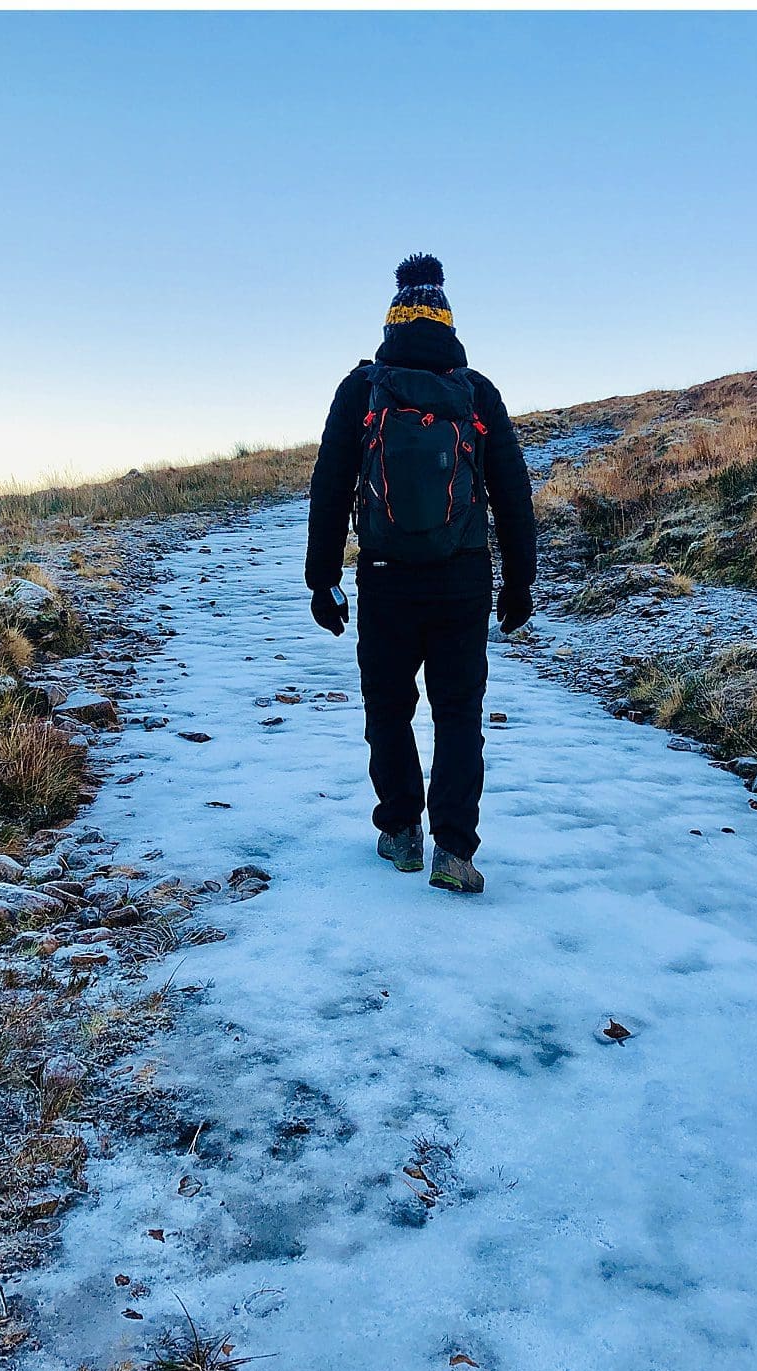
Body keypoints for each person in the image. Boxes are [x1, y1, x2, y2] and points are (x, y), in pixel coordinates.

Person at [307, 252, 537, 896]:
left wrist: (322, 579)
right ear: (447, 317)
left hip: (384, 576)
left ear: (392, 319)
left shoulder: (362, 390)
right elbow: (513, 494)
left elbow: (329, 489)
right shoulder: (477, 391)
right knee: (458, 712)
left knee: (388, 706)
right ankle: (455, 852)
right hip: (463, 576)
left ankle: (401, 831)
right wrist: (519, 583)